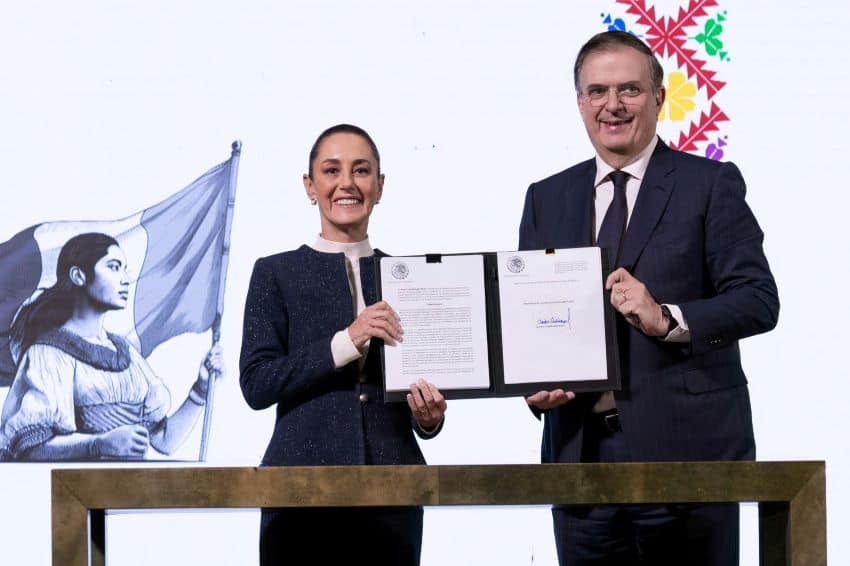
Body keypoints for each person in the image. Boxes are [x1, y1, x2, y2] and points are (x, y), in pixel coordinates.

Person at [520, 31, 779, 565]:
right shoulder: (546, 197)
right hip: (580, 460)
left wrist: (666, 319)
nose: (612, 106)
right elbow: (531, 321)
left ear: (659, 97)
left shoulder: (709, 183)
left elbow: (758, 299)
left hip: (689, 456)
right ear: (579, 103)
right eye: (597, 92)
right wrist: (532, 382)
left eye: (629, 90)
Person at [239, 123, 447, 566]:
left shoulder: (410, 277)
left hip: (393, 486)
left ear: (380, 185)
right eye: (332, 171)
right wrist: (346, 341)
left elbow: (419, 385)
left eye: (362, 170)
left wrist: (427, 419)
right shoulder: (276, 273)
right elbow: (257, 384)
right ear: (310, 186)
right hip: (298, 487)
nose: (347, 183)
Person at [0, 232, 222, 461]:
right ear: (78, 275)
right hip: (78, 492)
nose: (125, 279)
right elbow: (31, 448)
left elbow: (163, 441)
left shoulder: (125, 353)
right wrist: (99, 444)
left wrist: (201, 389)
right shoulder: (48, 354)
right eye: (114, 267)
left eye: (124, 268)